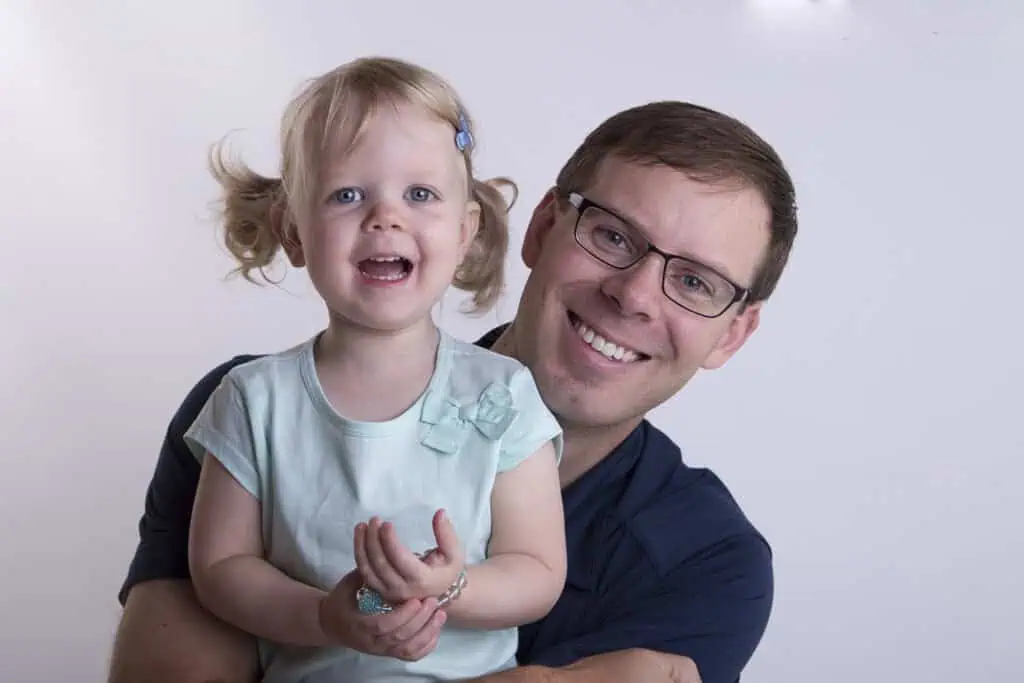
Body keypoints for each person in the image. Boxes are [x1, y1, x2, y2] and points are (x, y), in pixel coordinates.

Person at [108, 88, 799, 683]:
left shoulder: (711, 564)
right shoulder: (255, 409)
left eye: (694, 282)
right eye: (613, 236)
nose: (636, 296)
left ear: (733, 334)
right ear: (542, 227)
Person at [179, 56, 567, 683]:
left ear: (465, 231)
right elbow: (221, 570)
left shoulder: (503, 393)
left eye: (420, 194)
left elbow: (539, 571)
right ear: (295, 232)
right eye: (348, 194)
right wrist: (325, 618)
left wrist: (451, 586)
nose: (386, 217)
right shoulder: (253, 400)